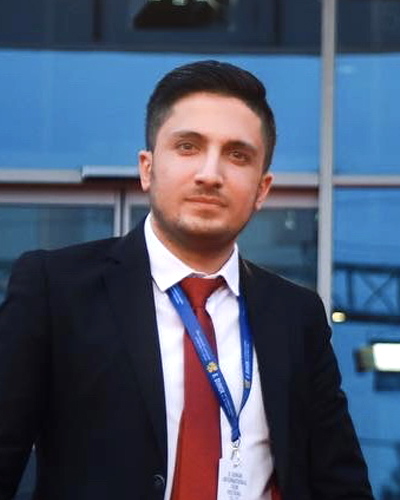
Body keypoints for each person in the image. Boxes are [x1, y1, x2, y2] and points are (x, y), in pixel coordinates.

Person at [0, 60, 373, 500]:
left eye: (237, 155)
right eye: (188, 147)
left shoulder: (296, 315)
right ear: (147, 168)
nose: (210, 174)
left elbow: (341, 483)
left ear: (262, 189)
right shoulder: (55, 288)